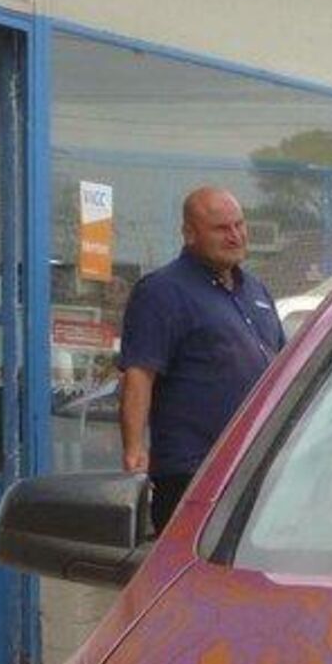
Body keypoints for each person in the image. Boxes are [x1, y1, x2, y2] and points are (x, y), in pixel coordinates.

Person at [117, 186, 285, 527]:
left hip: (258, 469)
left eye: (240, 225)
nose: (236, 236)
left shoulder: (256, 290)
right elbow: (139, 375)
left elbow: (284, 369)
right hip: (193, 475)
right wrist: (134, 451)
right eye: (222, 229)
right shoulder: (162, 291)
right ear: (189, 233)